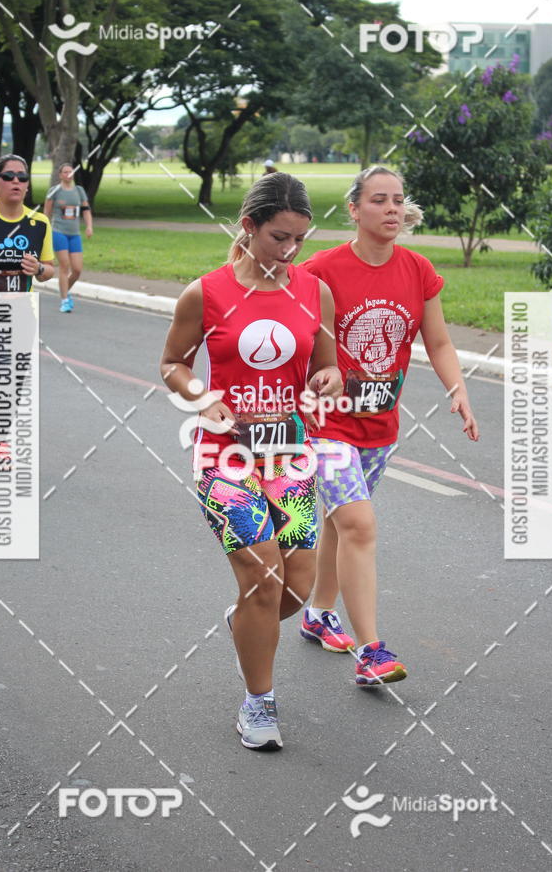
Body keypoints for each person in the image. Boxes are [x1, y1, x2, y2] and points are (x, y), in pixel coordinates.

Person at [160, 173, 342, 750]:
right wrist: (201, 395)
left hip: (289, 454)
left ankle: (247, 622)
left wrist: (329, 377)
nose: (289, 251)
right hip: (225, 457)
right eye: (278, 238)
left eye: (299, 239)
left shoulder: (314, 291)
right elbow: (172, 364)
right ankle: (258, 703)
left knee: (297, 583)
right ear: (248, 227)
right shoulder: (206, 293)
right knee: (265, 579)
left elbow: (328, 362)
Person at [297, 165, 479, 686]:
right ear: (354, 209)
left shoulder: (418, 270)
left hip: (381, 426)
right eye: (379, 200)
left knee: (341, 521)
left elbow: (438, 341)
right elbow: (292, 330)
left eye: (398, 200)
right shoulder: (322, 270)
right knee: (358, 524)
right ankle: (371, 652)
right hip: (325, 424)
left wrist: (458, 389)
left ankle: (318, 612)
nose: (393, 209)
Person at [0, 154, 54, 467]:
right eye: (9, 176)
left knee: (13, 382)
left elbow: (49, 270)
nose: (16, 181)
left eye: (22, 176)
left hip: (19, 311)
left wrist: (38, 269)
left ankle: (1, 439)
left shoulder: (38, 223)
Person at [44, 163, 93, 314]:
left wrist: (89, 226)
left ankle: (65, 291)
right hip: (59, 232)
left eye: (70, 171)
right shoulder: (55, 191)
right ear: (60, 175)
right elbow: (47, 212)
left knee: (77, 270)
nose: (68, 174)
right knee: (64, 266)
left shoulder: (79, 191)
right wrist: (44, 232)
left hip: (75, 233)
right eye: (65, 172)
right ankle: (65, 300)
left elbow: (86, 210)